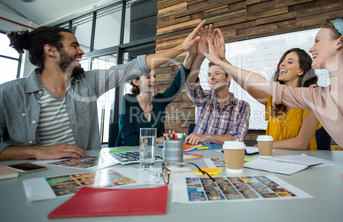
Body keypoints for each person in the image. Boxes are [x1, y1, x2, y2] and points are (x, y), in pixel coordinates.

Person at [201, 18, 343, 189]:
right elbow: (262, 85)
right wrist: (221, 60)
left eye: (317, 41)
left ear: (340, 42)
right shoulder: (317, 97)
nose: (312, 48)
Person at [0, 21, 205, 161]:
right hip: (30, 179)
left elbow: (134, 66)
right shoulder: (8, 94)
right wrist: (37, 152)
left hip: (84, 173)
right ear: (51, 51)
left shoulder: (87, 82)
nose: (81, 52)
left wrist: (182, 47)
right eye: (74, 46)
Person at [184, 25, 250, 146]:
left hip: (221, 157)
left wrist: (207, 137)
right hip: (196, 153)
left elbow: (238, 138)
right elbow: (191, 84)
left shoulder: (242, 107)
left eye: (217, 73)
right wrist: (201, 54)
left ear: (228, 77)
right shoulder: (204, 98)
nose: (211, 77)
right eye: (209, 75)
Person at [115, 49, 196, 146]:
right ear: (136, 82)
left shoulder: (159, 101)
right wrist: (157, 140)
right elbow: (129, 140)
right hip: (127, 155)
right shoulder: (128, 100)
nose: (153, 80)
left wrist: (190, 55)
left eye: (155, 76)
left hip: (152, 155)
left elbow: (176, 85)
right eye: (148, 77)